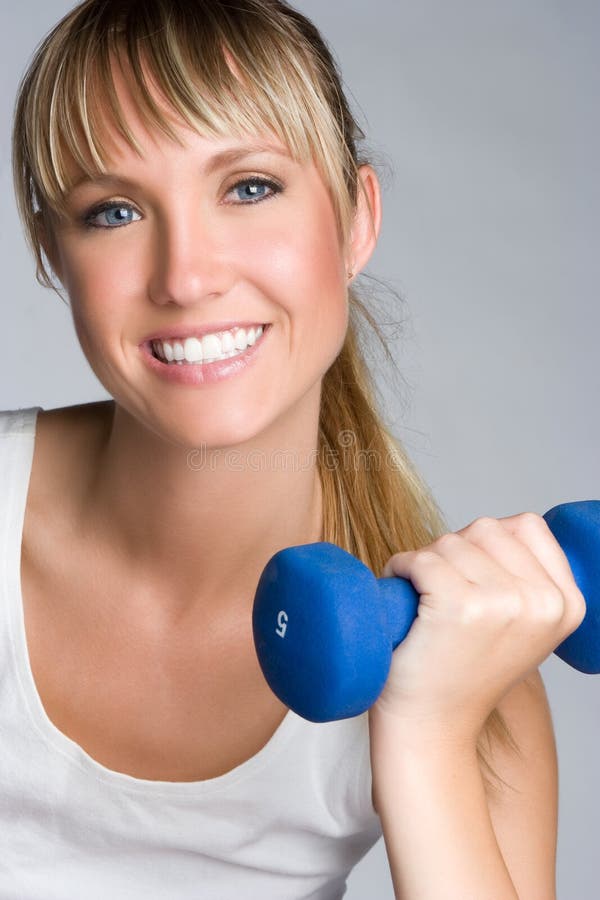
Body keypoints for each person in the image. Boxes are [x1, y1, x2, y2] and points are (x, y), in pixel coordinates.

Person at [3, 0, 584, 897]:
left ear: (355, 219)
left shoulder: (471, 668)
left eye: (248, 188)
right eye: (115, 211)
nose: (186, 277)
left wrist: (427, 733)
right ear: (53, 253)